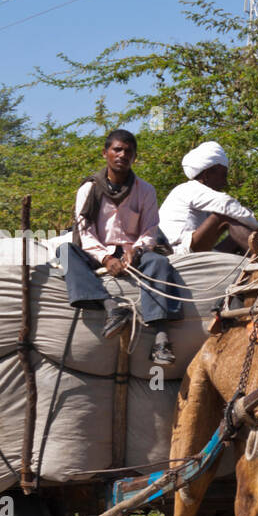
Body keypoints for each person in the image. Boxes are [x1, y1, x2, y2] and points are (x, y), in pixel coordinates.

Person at [58, 129, 181, 365]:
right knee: (65, 252)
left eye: (128, 151)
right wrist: (106, 259)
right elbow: (85, 233)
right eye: (117, 149)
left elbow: (150, 229)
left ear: (134, 157)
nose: (122, 155)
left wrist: (136, 251)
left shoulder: (145, 190)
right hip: (96, 251)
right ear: (105, 153)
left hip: (133, 252)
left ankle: (161, 338)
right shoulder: (89, 189)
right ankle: (110, 306)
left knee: (159, 263)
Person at [158, 141, 258, 255]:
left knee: (236, 233)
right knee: (224, 216)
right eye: (223, 175)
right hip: (178, 251)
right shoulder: (189, 189)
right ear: (207, 174)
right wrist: (257, 227)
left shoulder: (200, 195)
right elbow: (226, 204)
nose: (225, 182)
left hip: (195, 249)